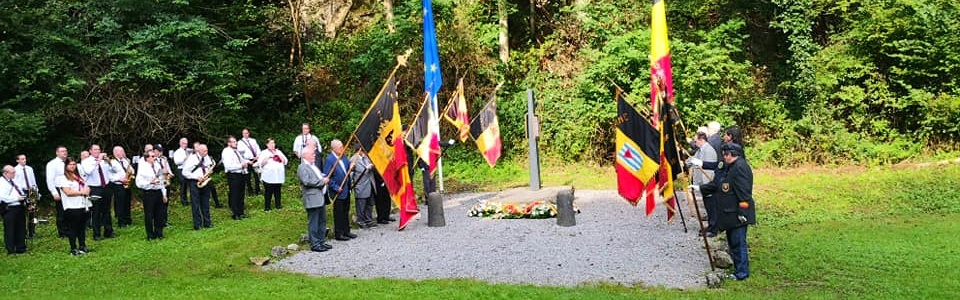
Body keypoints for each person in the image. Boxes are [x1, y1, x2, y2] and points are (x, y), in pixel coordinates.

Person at [697, 143, 756, 281]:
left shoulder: (740, 167)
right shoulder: (730, 166)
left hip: (738, 214)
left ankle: (742, 273)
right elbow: (719, 185)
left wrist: (743, 212)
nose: (724, 156)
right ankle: (737, 269)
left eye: (726, 154)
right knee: (733, 242)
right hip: (730, 213)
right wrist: (700, 188)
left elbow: (744, 194)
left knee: (738, 243)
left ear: (733, 154)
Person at [297, 145, 332, 252]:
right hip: (312, 198)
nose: (314, 155)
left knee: (322, 220)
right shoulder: (302, 167)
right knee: (313, 221)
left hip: (320, 197)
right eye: (312, 154)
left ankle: (321, 241)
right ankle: (315, 244)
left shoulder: (313, 166)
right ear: (306, 155)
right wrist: (322, 182)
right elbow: (306, 181)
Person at [81, 144, 118, 241]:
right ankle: (96, 234)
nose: (97, 151)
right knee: (96, 211)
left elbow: (114, 170)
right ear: (90, 151)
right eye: (95, 149)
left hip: (105, 186)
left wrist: (109, 161)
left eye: (99, 149)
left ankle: (108, 231)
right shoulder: (86, 161)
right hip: (94, 187)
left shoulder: (104, 161)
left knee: (107, 210)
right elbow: (88, 171)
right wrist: (98, 161)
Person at [56, 158, 92, 256]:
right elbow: (67, 192)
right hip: (71, 206)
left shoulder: (78, 176)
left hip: (82, 204)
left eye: (74, 164)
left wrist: (87, 190)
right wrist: (81, 192)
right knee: (73, 228)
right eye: (70, 164)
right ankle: (73, 248)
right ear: (66, 166)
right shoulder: (62, 178)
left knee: (82, 227)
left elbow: (86, 186)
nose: (73, 166)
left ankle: (82, 245)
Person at [686, 132, 718, 236]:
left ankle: (713, 229)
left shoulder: (708, 151)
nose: (695, 143)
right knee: (708, 206)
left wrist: (707, 185)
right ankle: (710, 225)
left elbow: (710, 170)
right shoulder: (700, 150)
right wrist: (686, 162)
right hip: (703, 184)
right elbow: (693, 160)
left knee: (712, 206)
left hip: (708, 182)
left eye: (696, 141)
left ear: (701, 140)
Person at [325, 139, 355, 241]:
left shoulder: (344, 157)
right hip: (337, 191)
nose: (342, 148)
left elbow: (347, 170)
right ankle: (339, 233)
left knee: (346, 210)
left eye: (342, 146)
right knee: (339, 212)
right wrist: (336, 187)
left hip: (346, 188)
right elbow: (328, 177)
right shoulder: (330, 160)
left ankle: (347, 231)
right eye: (340, 147)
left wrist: (351, 167)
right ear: (334, 148)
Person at [183, 144, 215, 230]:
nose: (206, 152)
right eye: (204, 151)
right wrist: (196, 177)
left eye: (207, 150)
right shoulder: (192, 158)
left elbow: (208, 166)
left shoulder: (206, 157)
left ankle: (207, 222)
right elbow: (185, 172)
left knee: (206, 202)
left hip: (205, 181)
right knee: (195, 204)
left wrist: (209, 171)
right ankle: (197, 224)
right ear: (199, 151)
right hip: (195, 182)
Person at [136, 150, 167, 240]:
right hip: (149, 193)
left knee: (159, 213)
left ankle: (159, 233)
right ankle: (150, 234)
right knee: (149, 214)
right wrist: (150, 182)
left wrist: (164, 194)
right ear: (147, 158)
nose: (155, 158)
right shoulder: (143, 168)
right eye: (152, 156)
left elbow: (161, 180)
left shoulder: (157, 166)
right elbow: (138, 183)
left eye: (155, 156)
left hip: (158, 191)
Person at [2, 165, 28, 255]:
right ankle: (11, 250)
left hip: (19, 207)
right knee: (10, 229)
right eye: (12, 172)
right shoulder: (1, 182)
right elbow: (3, 197)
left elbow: (20, 191)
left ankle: (21, 248)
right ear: (6, 173)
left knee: (21, 228)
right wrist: (17, 198)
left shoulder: (14, 181)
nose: (14, 174)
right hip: (10, 208)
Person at [222, 136, 249, 220]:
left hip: (240, 174)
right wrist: (240, 165)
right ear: (228, 143)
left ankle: (241, 212)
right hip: (233, 175)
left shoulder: (235, 151)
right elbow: (228, 166)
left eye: (235, 141)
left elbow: (241, 160)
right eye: (233, 142)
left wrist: (245, 163)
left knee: (241, 193)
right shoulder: (226, 152)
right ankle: (235, 213)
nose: (236, 143)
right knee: (235, 194)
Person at [350, 146, 377, 228]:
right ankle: (361, 221)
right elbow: (351, 173)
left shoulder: (366, 157)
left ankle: (368, 219)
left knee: (370, 203)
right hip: (361, 184)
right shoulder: (353, 159)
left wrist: (371, 166)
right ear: (360, 150)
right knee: (361, 204)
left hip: (370, 183)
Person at [257, 138, 288, 211]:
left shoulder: (278, 151)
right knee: (268, 192)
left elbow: (285, 161)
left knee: (278, 191)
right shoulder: (264, 152)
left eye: (273, 143)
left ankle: (278, 205)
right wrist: (268, 157)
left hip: (278, 176)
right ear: (267, 144)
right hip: (268, 176)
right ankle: (267, 207)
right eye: (270, 143)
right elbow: (260, 163)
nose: (272, 145)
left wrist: (279, 156)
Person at [46, 146, 69, 238]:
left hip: (69, 188)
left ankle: (69, 229)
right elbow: (50, 179)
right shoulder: (52, 164)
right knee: (61, 212)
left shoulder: (68, 162)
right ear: (57, 153)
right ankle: (62, 232)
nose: (65, 153)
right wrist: (54, 192)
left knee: (69, 210)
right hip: (59, 189)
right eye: (62, 151)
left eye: (66, 151)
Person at [14, 155, 39, 238]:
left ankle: (32, 232)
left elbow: (33, 180)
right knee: (22, 212)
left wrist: (36, 191)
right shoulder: (15, 170)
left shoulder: (29, 169)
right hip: (22, 192)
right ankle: (23, 232)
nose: (25, 160)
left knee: (32, 212)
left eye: (25, 158)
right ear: (17, 160)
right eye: (22, 159)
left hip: (30, 191)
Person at [109, 146, 135, 228]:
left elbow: (132, 170)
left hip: (127, 183)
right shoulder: (112, 162)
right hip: (118, 185)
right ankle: (121, 221)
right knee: (120, 203)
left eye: (123, 151)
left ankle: (128, 219)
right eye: (121, 151)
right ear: (116, 153)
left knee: (127, 202)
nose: (123, 153)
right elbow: (110, 176)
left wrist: (130, 173)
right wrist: (120, 179)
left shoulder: (125, 161)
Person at [238, 128, 262, 195]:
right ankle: (250, 191)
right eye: (244, 133)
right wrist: (247, 161)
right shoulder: (240, 143)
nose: (245, 134)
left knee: (256, 175)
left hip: (255, 160)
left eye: (247, 133)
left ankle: (257, 190)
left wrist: (258, 156)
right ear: (242, 134)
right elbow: (240, 155)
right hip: (247, 161)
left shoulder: (253, 140)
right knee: (247, 177)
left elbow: (258, 149)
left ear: (249, 133)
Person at [172, 137, 192, 206]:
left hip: (189, 169)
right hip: (181, 169)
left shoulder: (189, 150)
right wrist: (185, 158)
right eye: (184, 143)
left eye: (186, 143)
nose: (185, 145)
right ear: (180, 143)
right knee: (183, 185)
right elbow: (176, 162)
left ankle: (190, 200)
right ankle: (184, 201)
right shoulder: (177, 152)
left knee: (190, 184)